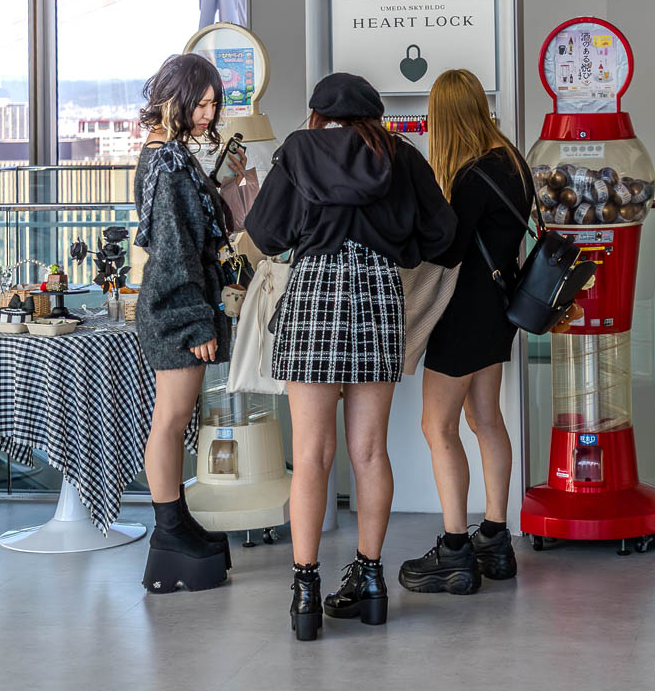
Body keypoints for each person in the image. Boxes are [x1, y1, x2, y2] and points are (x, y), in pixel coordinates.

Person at [244, 73, 455, 641]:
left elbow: (264, 234)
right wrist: (395, 245)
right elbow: (443, 235)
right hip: (379, 297)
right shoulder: (401, 155)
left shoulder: (297, 151)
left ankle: (305, 590)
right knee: (369, 451)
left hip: (314, 293)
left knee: (312, 452)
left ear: (317, 114)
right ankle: (370, 580)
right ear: (373, 115)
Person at [396, 69, 530, 595]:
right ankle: (495, 539)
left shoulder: (471, 175)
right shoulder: (510, 161)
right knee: (485, 419)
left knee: (438, 428)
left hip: (463, 314)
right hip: (499, 311)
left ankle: (454, 549)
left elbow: (447, 248)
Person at [135, 53, 246, 593]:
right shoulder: (168, 162)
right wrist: (195, 320)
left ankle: (175, 525)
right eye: (199, 102)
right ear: (173, 98)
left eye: (213, 104)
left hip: (175, 300)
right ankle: (168, 529)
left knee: (175, 418)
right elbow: (174, 248)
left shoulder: (168, 155)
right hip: (176, 306)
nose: (208, 113)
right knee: (172, 418)